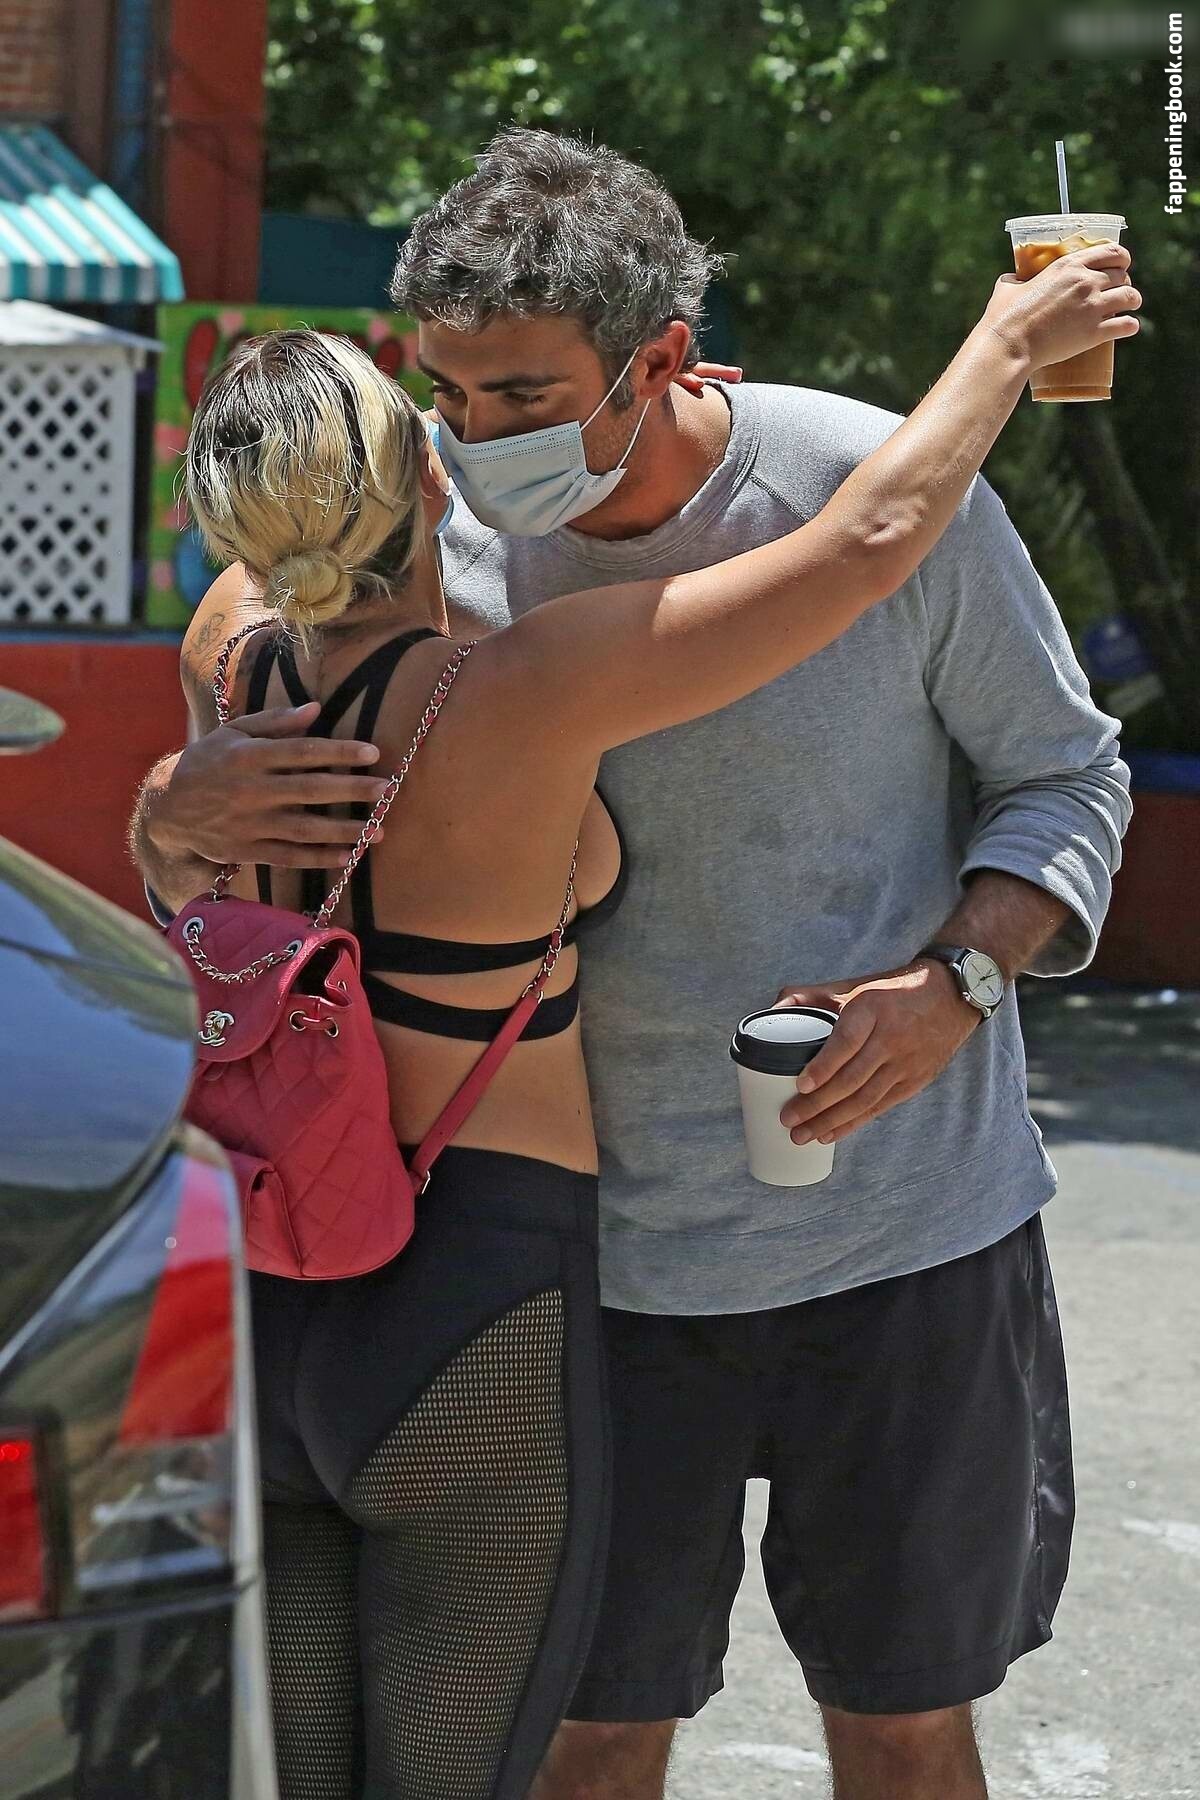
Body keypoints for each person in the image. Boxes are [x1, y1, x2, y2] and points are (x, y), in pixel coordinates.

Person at [132, 132, 1137, 1800]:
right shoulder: (430, 532)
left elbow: (1069, 774)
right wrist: (175, 797)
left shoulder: (872, 476)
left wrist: (957, 983)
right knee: (588, 1747)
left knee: (905, 1731)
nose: (474, 441)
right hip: (591, 1281)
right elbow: (275, 577)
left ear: (661, 358)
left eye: (522, 395)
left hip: (905, 1239)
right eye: (446, 395)